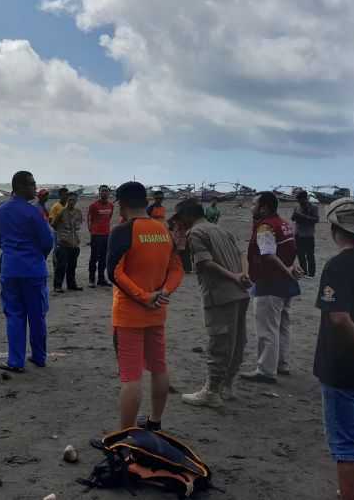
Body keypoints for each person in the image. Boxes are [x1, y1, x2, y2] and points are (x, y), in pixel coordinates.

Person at [107, 182, 184, 430]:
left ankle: (124, 436)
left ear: (122, 203)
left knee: (131, 377)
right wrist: (163, 293)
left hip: (130, 315)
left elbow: (114, 273)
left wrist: (143, 296)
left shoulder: (123, 230)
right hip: (157, 312)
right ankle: (155, 421)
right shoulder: (163, 230)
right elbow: (176, 269)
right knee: (159, 367)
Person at [314, 198, 354, 500]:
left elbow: (338, 317)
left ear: (336, 229)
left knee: (348, 443)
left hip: (344, 364)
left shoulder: (338, 265)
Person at [171, 199, 251, 408]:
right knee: (237, 341)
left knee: (220, 341)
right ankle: (227, 386)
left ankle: (212, 391)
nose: (179, 223)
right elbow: (242, 253)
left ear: (187, 216)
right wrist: (242, 275)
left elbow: (206, 263)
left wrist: (233, 277)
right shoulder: (221, 230)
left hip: (220, 294)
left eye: (180, 218)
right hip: (240, 293)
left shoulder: (196, 233)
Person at [0, 171, 54, 373]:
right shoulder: (33, 212)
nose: (35, 188)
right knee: (37, 316)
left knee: (15, 315)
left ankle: (16, 361)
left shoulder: (0, 211)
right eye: (31, 185)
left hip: (11, 269)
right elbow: (47, 241)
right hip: (33, 270)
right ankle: (38, 357)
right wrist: (35, 255)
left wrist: (12, 250)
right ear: (19, 187)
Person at [241, 191, 302, 384]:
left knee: (267, 329)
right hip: (286, 285)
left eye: (254, 204)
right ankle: (281, 364)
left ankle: (266, 370)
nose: (251, 207)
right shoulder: (284, 224)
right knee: (282, 325)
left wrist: (287, 272)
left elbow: (268, 255)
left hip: (270, 282)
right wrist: (292, 271)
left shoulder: (266, 226)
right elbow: (292, 250)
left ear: (264, 208)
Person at [52, 192, 84, 293]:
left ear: (76, 201)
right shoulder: (62, 212)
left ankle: (71, 284)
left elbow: (79, 224)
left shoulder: (78, 212)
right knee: (61, 266)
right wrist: (62, 234)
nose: (71, 202)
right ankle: (58, 286)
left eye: (74, 200)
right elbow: (54, 224)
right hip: (63, 243)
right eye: (70, 200)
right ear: (67, 200)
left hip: (74, 243)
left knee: (72, 266)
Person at [87, 185, 114, 288]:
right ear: (99, 192)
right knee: (94, 257)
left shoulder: (111, 205)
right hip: (96, 235)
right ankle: (91, 279)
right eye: (103, 191)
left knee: (104, 258)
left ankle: (101, 279)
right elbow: (90, 219)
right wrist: (92, 231)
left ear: (109, 193)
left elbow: (109, 218)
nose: (105, 193)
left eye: (106, 191)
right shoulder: (94, 206)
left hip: (106, 234)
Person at [292, 190, 319, 278]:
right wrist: (295, 216)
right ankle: (304, 272)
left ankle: (311, 274)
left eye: (300, 200)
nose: (299, 202)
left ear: (305, 198)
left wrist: (302, 216)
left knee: (310, 255)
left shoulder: (313, 207)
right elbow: (293, 218)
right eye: (298, 200)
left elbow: (316, 220)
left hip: (308, 234)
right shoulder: (297, 207)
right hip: (298, 234)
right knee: (300, 255)